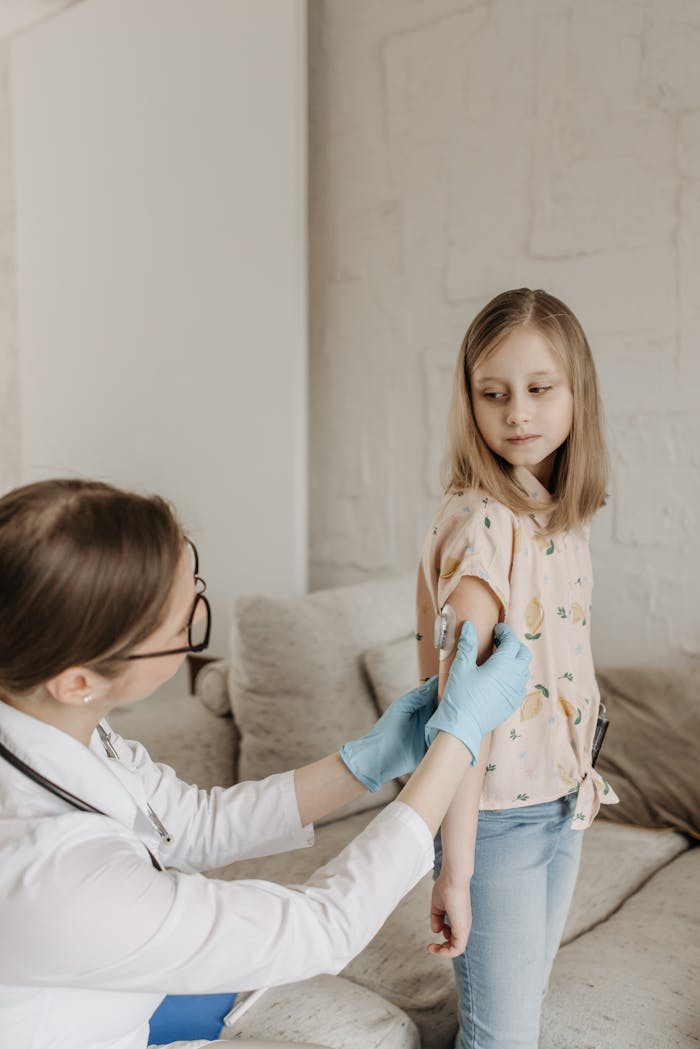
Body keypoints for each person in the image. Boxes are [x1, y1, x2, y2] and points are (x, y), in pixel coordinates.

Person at [0, 478, 531, 1049]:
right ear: (77, 680)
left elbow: (189, 823)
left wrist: (364, 761)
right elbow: (323, 925)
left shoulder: (56, 717)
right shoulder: (53, 875)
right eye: (183, 625)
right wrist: (457, 739)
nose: (196, 624)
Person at [416, 288, 619, 1049]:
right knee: (502, 1036)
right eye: (493, 394)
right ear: (469, 400)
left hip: (565, 797)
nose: (517, 414)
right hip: (497, 815)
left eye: (539, 390)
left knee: (519, 1013)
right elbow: (460, 712)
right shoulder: (482, 521)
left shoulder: (559, 515)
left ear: (576, 394)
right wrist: (455, 869)